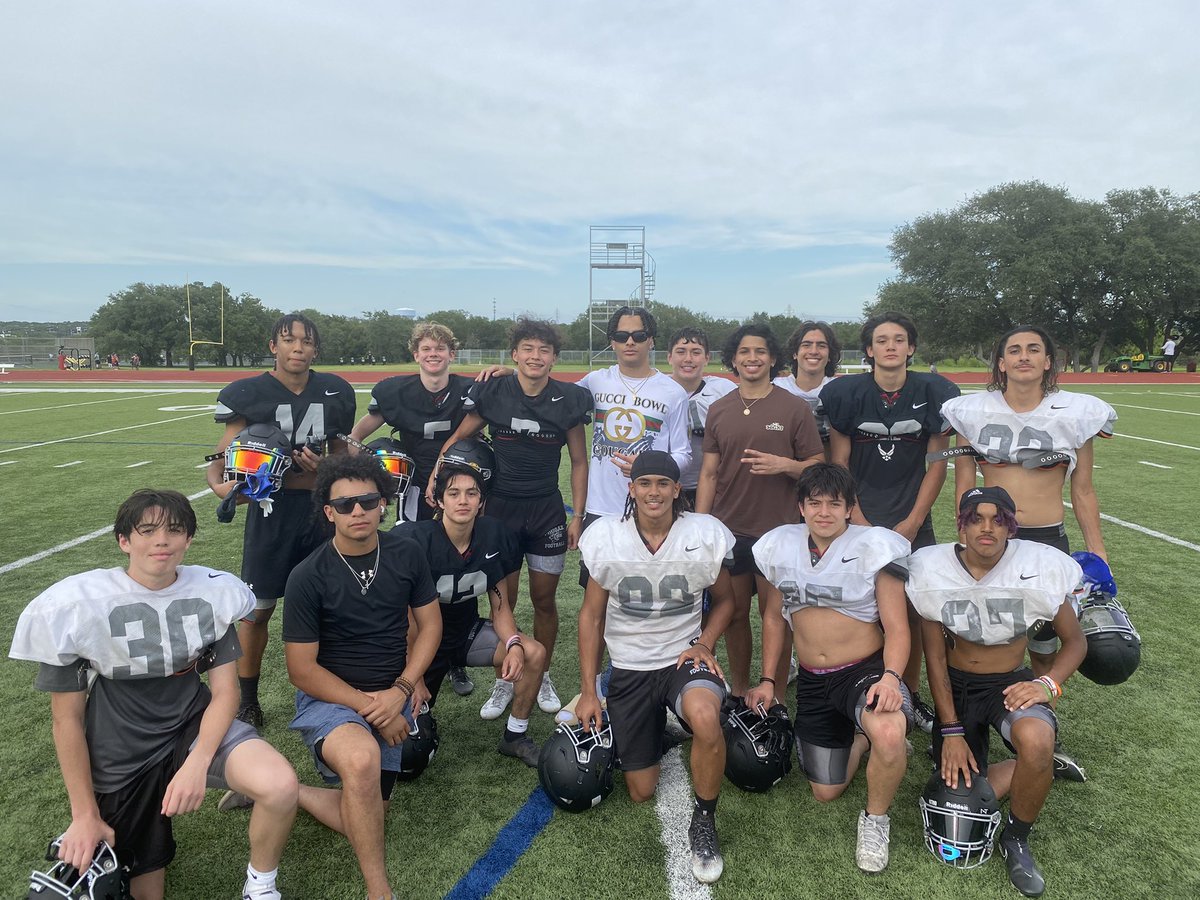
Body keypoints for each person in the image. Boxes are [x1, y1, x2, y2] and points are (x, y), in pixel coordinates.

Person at [9, 489, 299, 900]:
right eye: (147, 530)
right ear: (124, 541)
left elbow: (224, 693)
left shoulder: (211, 591)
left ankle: (261, 887)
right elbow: (67, 720)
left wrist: (198, 763)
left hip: (192, 724)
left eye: (174, 530)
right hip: (121, 746)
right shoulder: (75, 606)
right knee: (145, 886)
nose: (161, 540)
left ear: (189, 540)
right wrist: (84, 813)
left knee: (280, 784)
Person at [941, 325, 1115, 781]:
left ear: (1046, 362)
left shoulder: (1076, 414)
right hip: (989, 537)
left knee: (1045, 639)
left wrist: (1097, 552)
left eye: (1032, 350)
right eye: (1013, 350)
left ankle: (1041, 719)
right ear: (1000, 363)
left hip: (1046, 538)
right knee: (975, 630)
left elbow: (1082, 489)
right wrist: (963, 536)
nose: (1022, 357)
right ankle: (959, 722)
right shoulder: (970, 410)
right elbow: (963, 483)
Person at [907, 486, 1086, 897]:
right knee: (959, 797)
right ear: (962, 526)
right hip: (955, 685)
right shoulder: (931, 569)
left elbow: (1075, 642)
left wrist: (1046, 683)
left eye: (997, 519)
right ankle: (1040, 769)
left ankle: (1017, 837)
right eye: (976, 519)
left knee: (1036, 740)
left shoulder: (1039, 566)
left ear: (1011, 527)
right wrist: (949, 731)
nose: (987, 528)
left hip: (1006, 683)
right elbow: (934, 659)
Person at [282, 454, 441, 900]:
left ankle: (284, 792)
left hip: (391, 692)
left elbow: (430, 627)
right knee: (361, 763)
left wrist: (402, 689)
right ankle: (378, 888)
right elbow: (302, 670)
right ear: (328, 512)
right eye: (346, 504)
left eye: (368, 501)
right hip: (332, 699)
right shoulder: (307, 576)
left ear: (382, 505)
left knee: (370, 810)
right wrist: (373, 706)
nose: (358, 512)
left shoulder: (406, 552)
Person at [576, 451, 736, 884]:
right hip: (629, 665)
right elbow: (591, 617)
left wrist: (704, 642)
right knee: (640, 791)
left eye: (663, 484)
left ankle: (704, 820)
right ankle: (661, 731)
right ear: (631, 488)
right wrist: (590, 690)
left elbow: (726, 601)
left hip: (682, 657)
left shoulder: (701, 535)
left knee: (704, 716)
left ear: (676, 490)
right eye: (644, 483)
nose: (653, 492)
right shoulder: (607, 536)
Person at [748, 463, 912, 873]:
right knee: (826, 790)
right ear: (800, 507)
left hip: (863, 671)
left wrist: (892, 677)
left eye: (834, 504)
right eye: (815, 503)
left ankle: (876, 820)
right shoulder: (779, 547)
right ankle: (859, 739)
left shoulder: (875, 546)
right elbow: (772, 616)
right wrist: (769, 680)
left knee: (889, 734)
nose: (824, 512)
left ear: (850, 508)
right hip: (812, 679)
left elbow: (897, 627)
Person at [207, 312, 357, 730]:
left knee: (333, 607)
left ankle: (329, 689)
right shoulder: (249, 393)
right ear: (273, 345)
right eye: (289, 340)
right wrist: (230, 491)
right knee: (256, 612)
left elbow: (344, 455)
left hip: (321, 511)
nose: (298, 348)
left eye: (306, 342)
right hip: (271, 513)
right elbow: (220, 465)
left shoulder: (335, 391)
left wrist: (327, 464)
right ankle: (248, 700)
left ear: (315, 349)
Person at [434, 318, 590, 717]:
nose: (535, 356)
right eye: (528, 348)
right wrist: (439, 475)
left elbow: (577, 459)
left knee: (544, 600)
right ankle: (509, 677)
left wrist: (578, 514)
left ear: (555, 357)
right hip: (500, 511)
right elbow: (459, 439)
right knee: (506, 600)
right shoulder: (495, 391)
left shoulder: (569, 399)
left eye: (544, 350)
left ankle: (542, 673)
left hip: (546, 511)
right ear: (515, 354)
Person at [819, 311, 960, 729]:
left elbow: (937, 464)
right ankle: (855, 685)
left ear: (911, 347)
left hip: (910, 515)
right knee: (855, 606)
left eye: (899, 339)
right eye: (882, 340)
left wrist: (915, 519)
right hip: (858, 516)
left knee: (914, 612)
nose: (891, 347)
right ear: (869, 349)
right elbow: (839, 462)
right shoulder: (847, 393)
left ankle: (906, 692)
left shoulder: (934, 391)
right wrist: (858, 518)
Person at [350, 322, 505, 699]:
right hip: (416, 489)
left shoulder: (470, 387)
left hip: (460, 489)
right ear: (415, 354)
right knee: (418, 572)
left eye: (440, 348)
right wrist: (367, 470)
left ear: (452, 354)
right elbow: (355, 437)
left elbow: (511, 384)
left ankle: (454, 658)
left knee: (465, 568)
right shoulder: (395, 392)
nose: (433, 354)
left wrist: (506, 371)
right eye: (426, 348)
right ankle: (416, 654)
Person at [695, 323, 824, 696]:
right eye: (745, 352)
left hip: (779, 530)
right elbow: (708, 472)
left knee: (777, 617)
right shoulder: (719, 409)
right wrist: (703, 525)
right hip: (730, 529)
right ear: (734, 359)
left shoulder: (793, 407)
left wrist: (785, 465)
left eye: (760, 352)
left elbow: (818, 464)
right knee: (734, 615)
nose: (752, 358)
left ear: (772, 359)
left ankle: (776, 695)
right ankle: (737, 691)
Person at [398, 458, 548, 765]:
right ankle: (421, 720)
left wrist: (514, 645)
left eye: (471, 493)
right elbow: (406, 620)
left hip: (466, 634)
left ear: (481, 501)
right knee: (410, 756)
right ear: (439, 500)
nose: (463, 500)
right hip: (424, 643)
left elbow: (500, 604)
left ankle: (515, 736)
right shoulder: (414, 542)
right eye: (454, 493)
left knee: (534, 652)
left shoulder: (493, 536)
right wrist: (413, 678)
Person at [666, 326, 736, 506]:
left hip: (712, 487)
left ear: (707, 358)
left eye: (696, 352)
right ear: (669, 357)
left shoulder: (724, 390)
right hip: (663, 485)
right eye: (681, 351)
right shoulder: (654, 390)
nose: (688, 359)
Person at [773, 320, 842, 455]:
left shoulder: (840, 390)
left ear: (830, 355)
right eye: (806, 345)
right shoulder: (775, 388)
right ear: (795, 353)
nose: (814, 351)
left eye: (821, 346)